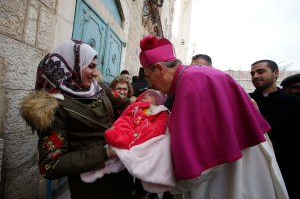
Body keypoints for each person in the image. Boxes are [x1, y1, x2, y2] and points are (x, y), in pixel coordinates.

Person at [138, 35, 289, 199]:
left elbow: (202, 155)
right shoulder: (194, 76)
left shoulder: (192, 81)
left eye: (148, 76)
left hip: (229, 171)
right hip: (234, 161)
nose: (150, 84)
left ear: (160, 68)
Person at [20, 40, 133, 199]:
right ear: (71, 66)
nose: (95, 72)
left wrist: (149, 105)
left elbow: (125, 104)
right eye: (90, 66)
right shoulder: (54, 106)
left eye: (96, 65)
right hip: (92, 188)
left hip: (121, 177)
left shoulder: (98, 87)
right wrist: (105, 153)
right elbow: (51, 165)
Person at [81, 89, 174, 198]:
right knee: (112, 153)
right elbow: (124, 118)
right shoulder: (135, 106)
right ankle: (98, 170)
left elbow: (155, 128)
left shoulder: (156, 111)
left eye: (150, 95)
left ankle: (148, 182)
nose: (145, 95)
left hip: (135, 138)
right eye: (145, 93)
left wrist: (131, 137)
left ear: (157, 101)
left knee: (125, 156)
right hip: (123, 132)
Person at [249, 59, 300, 199]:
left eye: (261, 71)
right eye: (252, 73)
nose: (255, 76)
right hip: (255, 168)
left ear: (276, 73)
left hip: (288, 168)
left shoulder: (294, 103)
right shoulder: (245, 101)